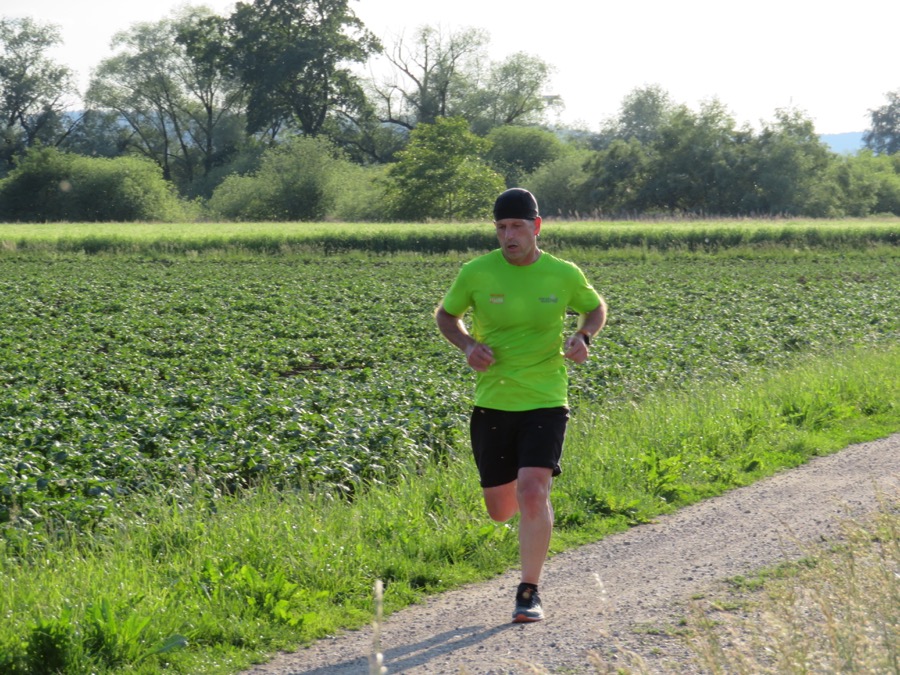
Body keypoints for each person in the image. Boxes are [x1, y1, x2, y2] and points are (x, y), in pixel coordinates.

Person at [434, 187, 607, 623]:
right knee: (500, 510)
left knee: (533, 491)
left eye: (516, 226)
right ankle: (525, 500)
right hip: (493, 401)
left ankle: (528, 591)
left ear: (537, 227)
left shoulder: (562, 274)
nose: (508, 236)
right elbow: (446, 315)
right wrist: (467, 345)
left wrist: (583, 336)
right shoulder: (476, 272)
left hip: (546, 397)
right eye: (501, 228)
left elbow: (594, 308)